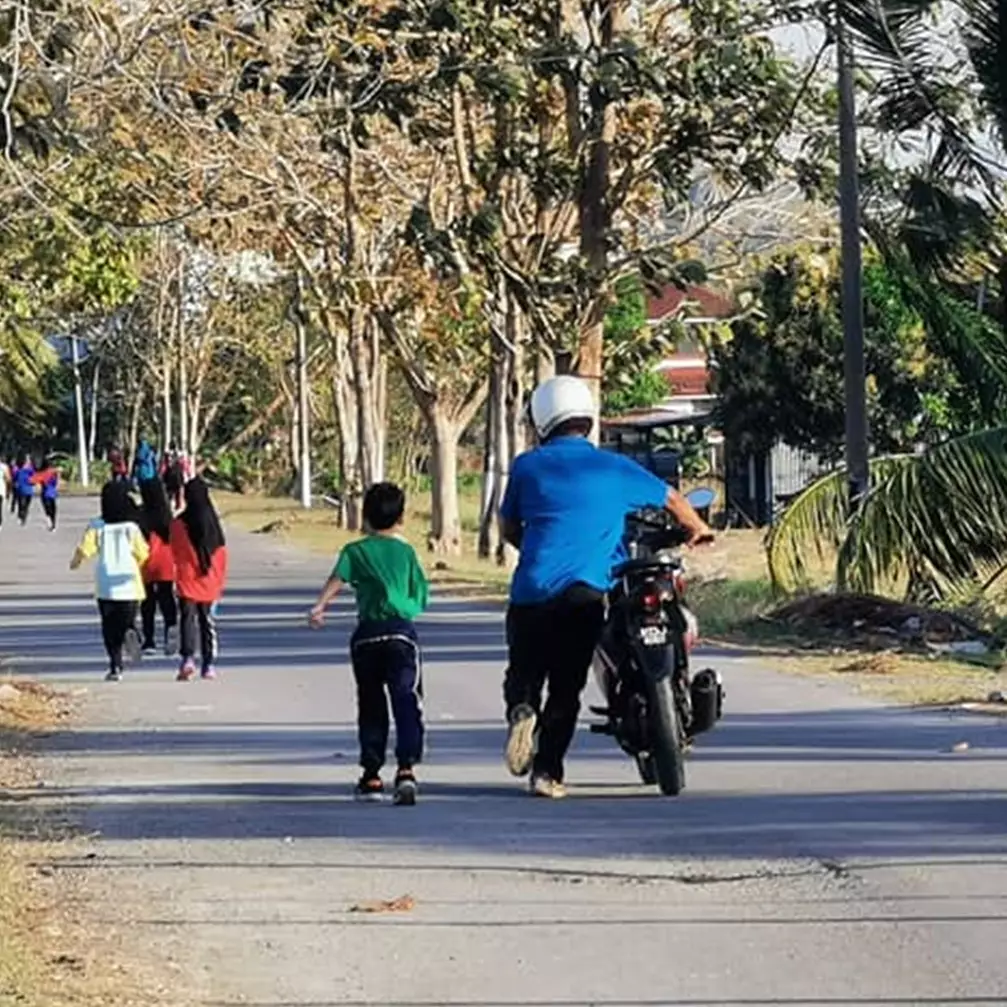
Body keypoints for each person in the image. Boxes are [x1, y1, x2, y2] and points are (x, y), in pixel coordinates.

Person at [499, 375, 713, 799]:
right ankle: (546, 774)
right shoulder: (614, 467)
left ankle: (522, 708)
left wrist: (534, 547)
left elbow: (509, 526)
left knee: (524, 673)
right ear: (587, 420)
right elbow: (671, 499)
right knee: (565, 688)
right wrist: (698, 527)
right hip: (583, 594)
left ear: (542, 421)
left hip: (531, 590)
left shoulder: (527, 466)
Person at [309, 482, 429, 806]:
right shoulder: (406, 552)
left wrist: (320, 606)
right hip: (401, 635)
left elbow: (338, 578)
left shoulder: (355, 551)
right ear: (401, 518)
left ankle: (372, 776)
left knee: (372, 704)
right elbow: (420, 594)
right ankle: (406, 769)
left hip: (367, 636)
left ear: (366, 517)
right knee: (406, 700)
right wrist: (407, 607)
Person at [69, 481, 148, 682]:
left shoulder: (97, 526)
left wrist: (75, 563)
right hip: (128, 583)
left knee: (109, 626)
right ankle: (131, 631)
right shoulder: (131, 528)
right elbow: (143, 553)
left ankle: (115, 665)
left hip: (105, 585)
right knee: (127, 618)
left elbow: (84, 550)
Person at [170, 477, 228, 681]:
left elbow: (175, 552)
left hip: (187, 579)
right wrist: (218, 581)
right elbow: (221, 555)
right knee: (207, 622)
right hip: (210, 581)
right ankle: (209, 664)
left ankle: (187, 659)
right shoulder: (213, 525)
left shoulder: (178, 524)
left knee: (187, 619)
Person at [137, 478, 179, 657]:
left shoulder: (140, 514)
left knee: (148, 603)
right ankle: (171, 629)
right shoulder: (167, 515)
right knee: (167, 599)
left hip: (146, 563)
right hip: (165, 564)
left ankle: (149, 640)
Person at [30, 455, 60, 531]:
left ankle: (50, 521)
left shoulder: (42, 473)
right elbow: (56, 480)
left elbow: (33, 481)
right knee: (53, 509)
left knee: (47, 509)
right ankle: (53, 522)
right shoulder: (52, 472)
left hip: (45, 493)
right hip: (52, 493)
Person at [13, 454, 35, 526]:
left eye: (29, 459)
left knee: (26, 505)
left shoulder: (31, 469)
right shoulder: (19, 469)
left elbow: (34, 478)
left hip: (29, 490)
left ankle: (23, 517)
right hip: (21, 489)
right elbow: (15, 477)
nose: (28, 461)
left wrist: (33, 482)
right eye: (27, 459)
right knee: (22, 504)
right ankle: (22, 517)